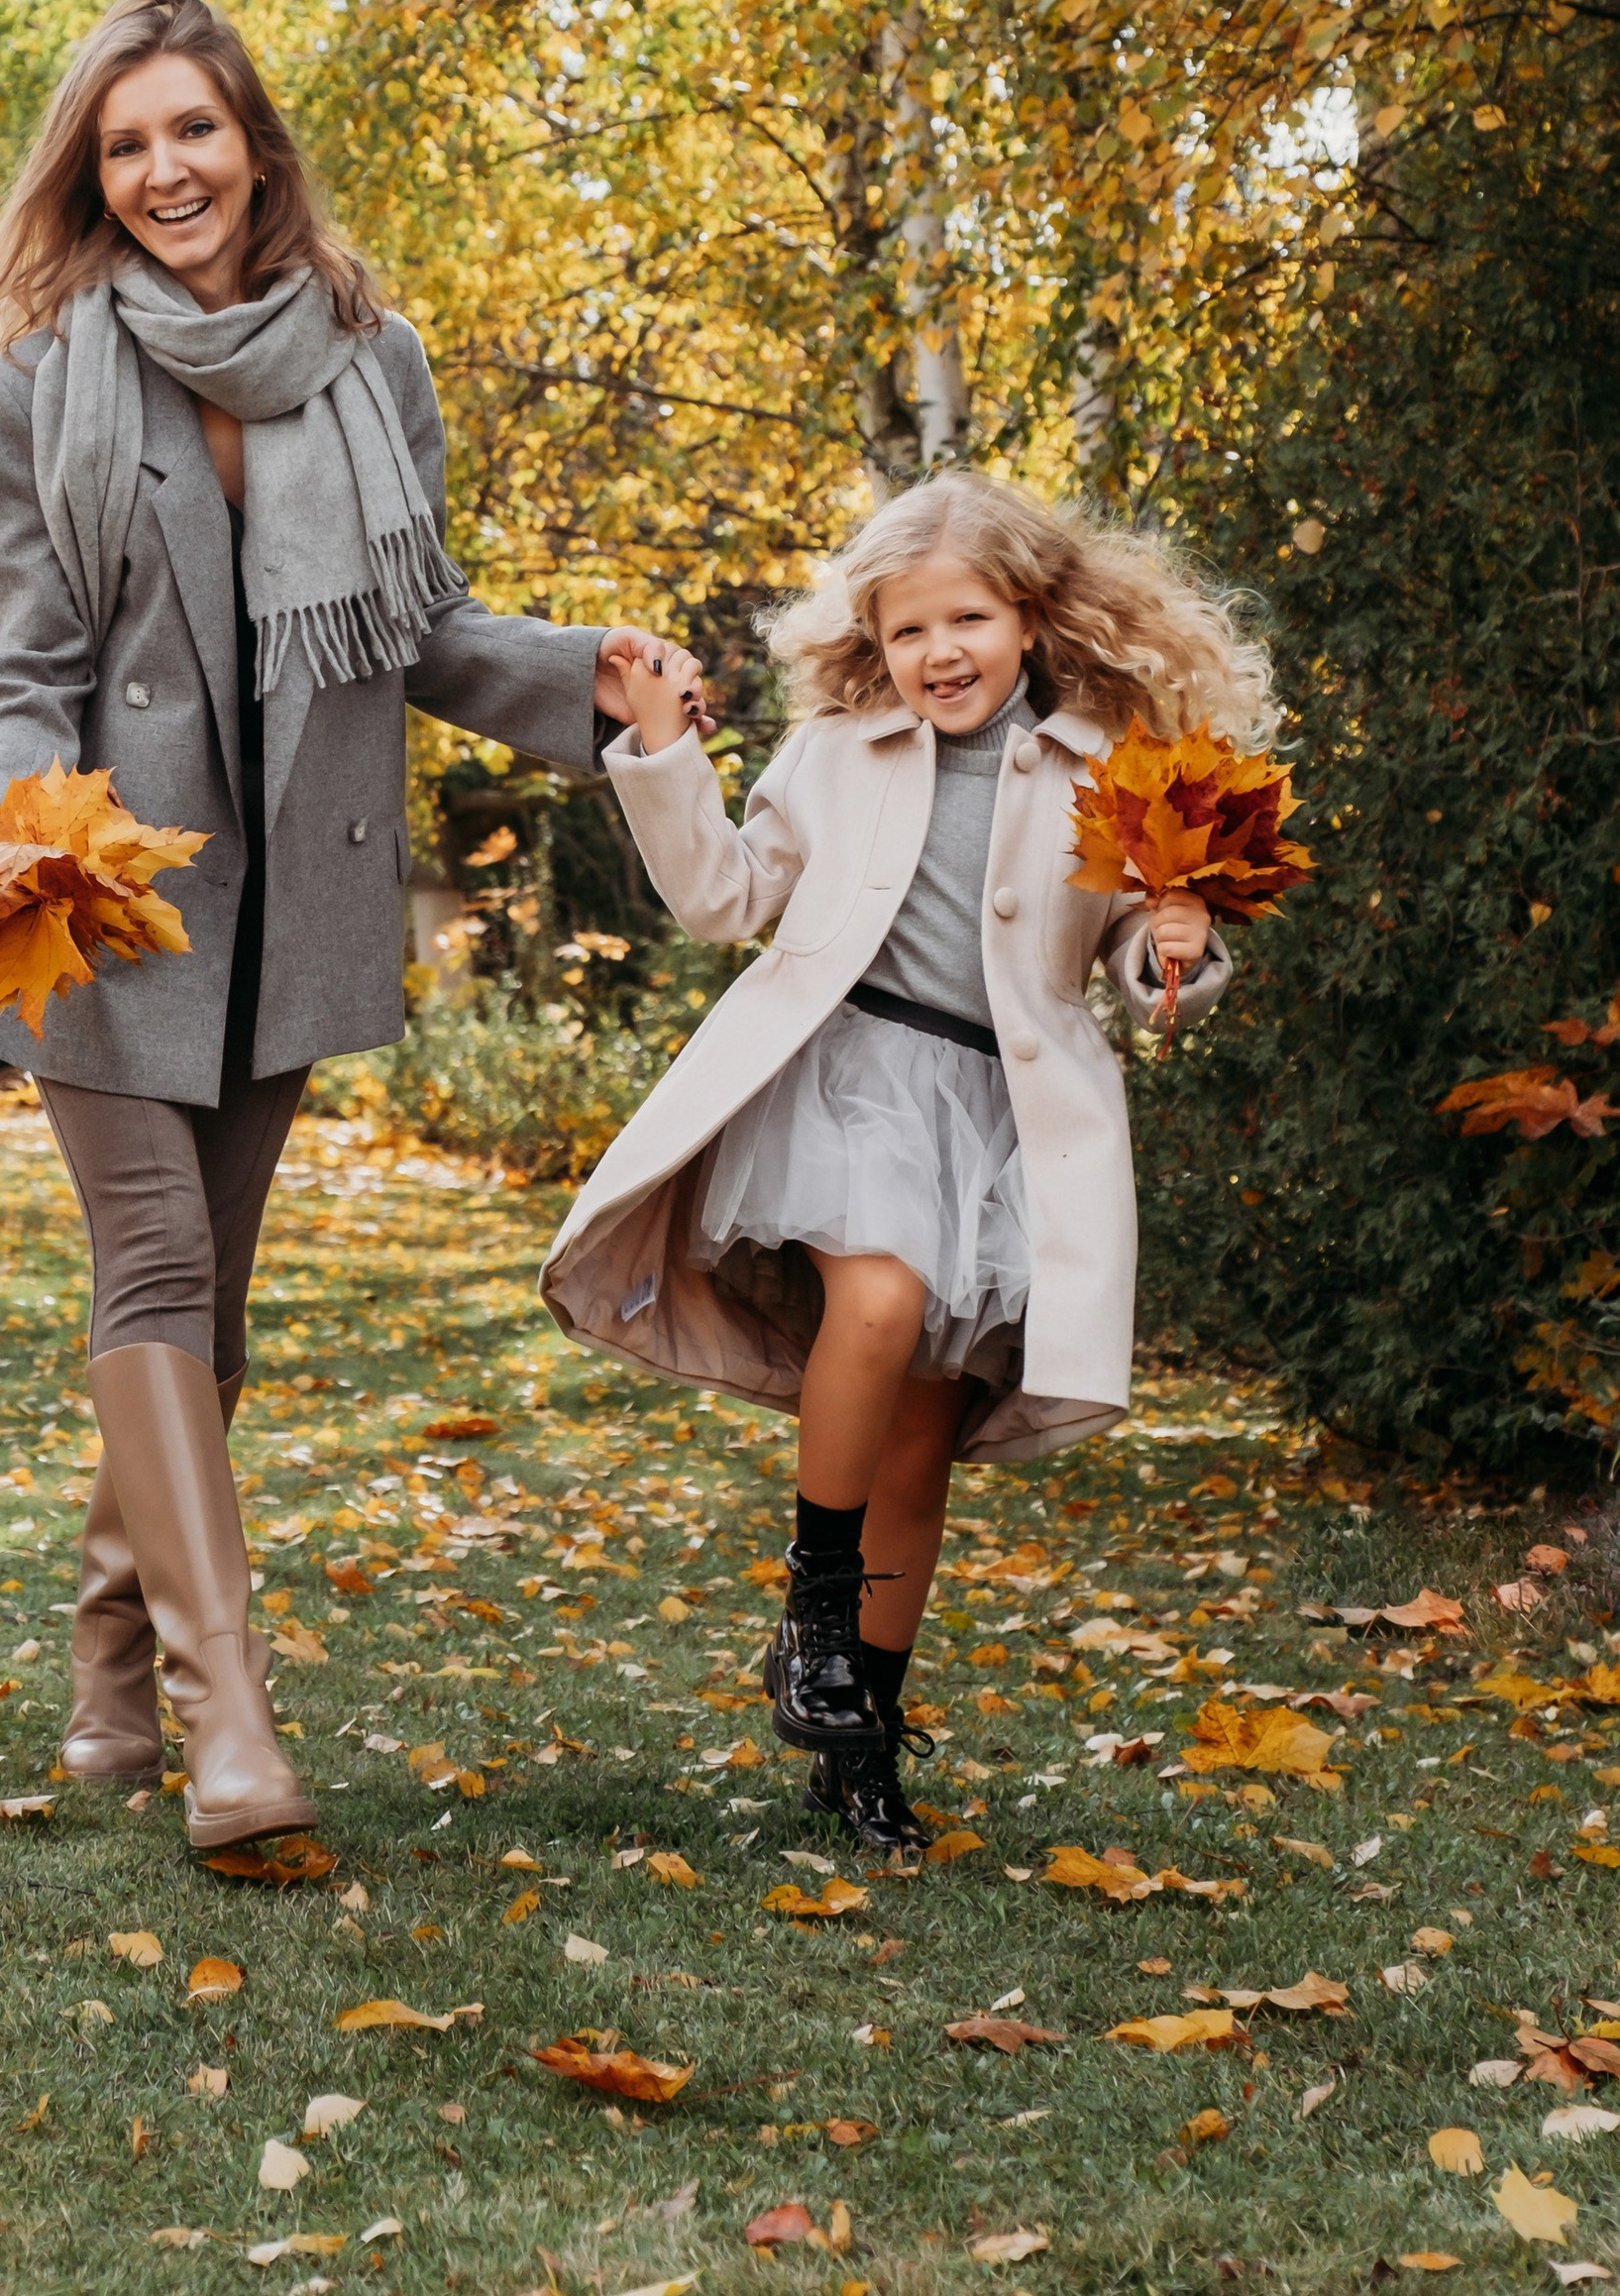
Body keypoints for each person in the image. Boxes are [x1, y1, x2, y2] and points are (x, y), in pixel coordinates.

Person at [0, 0, 684, 1854]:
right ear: (93, 170)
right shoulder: (37, 378)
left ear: (256, 145)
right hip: (95, 896)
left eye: (193, 132)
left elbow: (422, 626)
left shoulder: (368, 360)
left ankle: (108, 1662)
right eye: (126, 142)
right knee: (148, 1267)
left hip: (287, 895)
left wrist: (588, 679)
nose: (164, 171)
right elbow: (22, 664)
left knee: (201, 1322)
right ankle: (235, 1728)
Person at [541, 472, 1276, 1850]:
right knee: (875, 1300)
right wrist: (657, 751)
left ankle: (861, 1751)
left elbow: (1128, 965)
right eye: (908, 631)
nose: (940, 653)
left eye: (970, 620)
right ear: (873, 646)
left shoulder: (1110, 768)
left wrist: (1175, 945)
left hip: (1001, 1115)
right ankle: (814, 1617)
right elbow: (726, 898)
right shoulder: (838, 749)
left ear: (1031, 618)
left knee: (922, 1450)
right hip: (852, 1075)